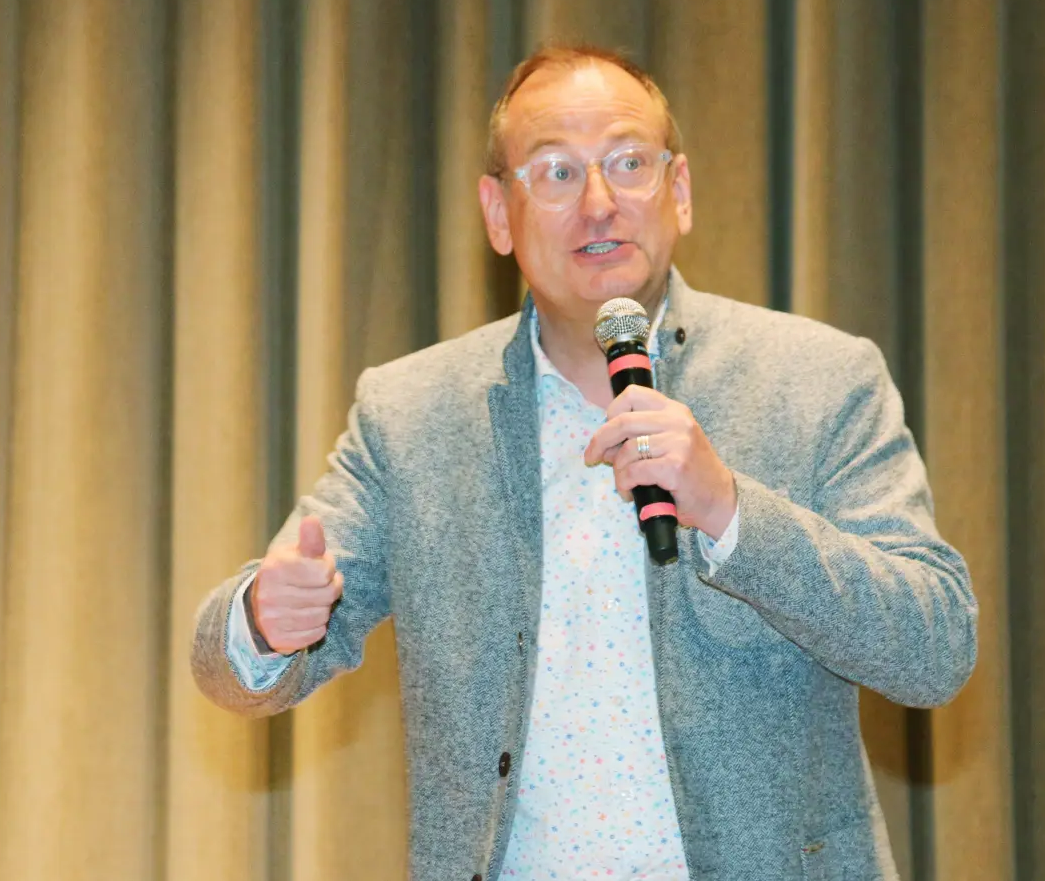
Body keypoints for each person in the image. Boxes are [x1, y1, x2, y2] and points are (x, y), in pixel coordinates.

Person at [191, 43, 976, 881]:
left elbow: (935, 647)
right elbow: (229, 671)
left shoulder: (818, 379)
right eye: (557, 173)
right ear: (498, 215)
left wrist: (731, 511)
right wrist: (265, 618)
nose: (600, 204)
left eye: (629, 163)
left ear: (679, 191)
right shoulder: (413, 415)